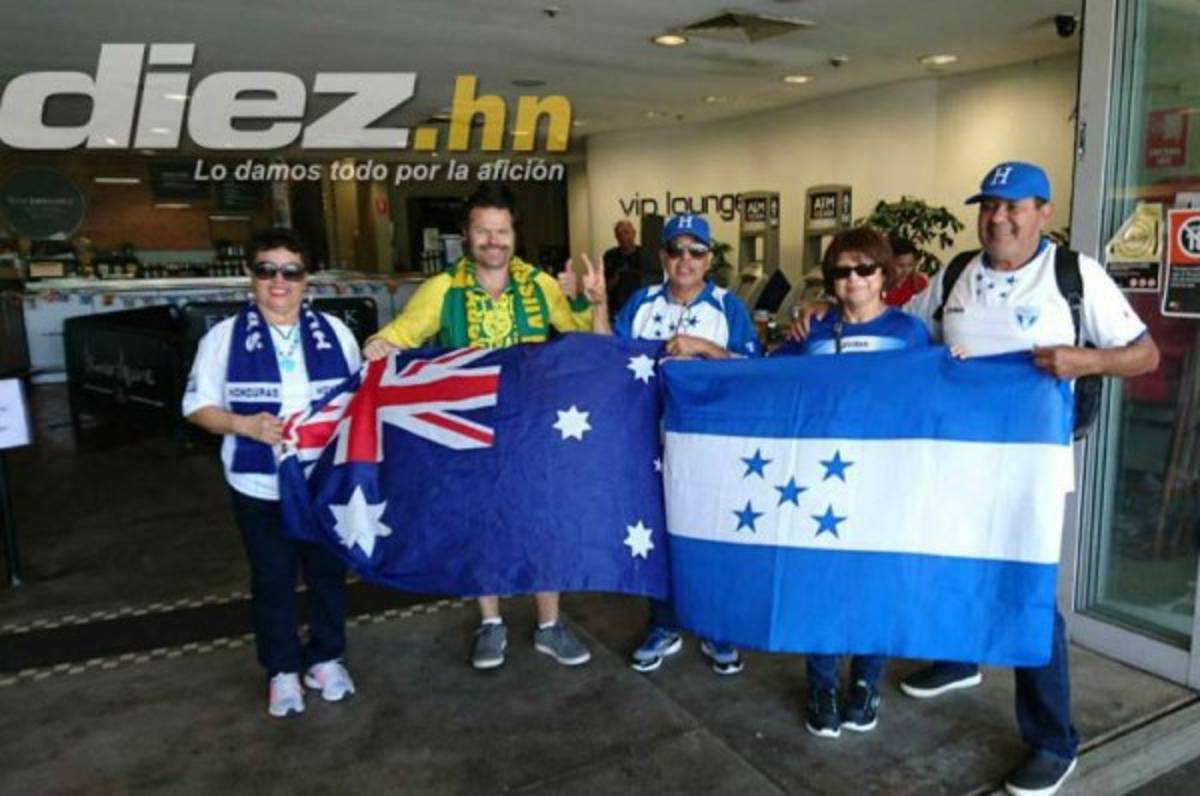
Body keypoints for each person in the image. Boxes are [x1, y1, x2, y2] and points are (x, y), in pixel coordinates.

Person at [794, 161, 1159, 795]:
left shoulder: (1074, 276)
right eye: (989, 206)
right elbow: (900, 328)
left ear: (1042, 212)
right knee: (946, 564)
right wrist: (834, 306)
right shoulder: (958, 272)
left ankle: (1052, 740)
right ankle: (960, 659)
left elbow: (1144, 354)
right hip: (952, 461)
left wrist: (1085, 359)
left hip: (1028, 469)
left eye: (1013, 206)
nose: (999, 218)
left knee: (1027, 595)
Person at [362, 184, 594, 672]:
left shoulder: (540, 285)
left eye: (501, 231)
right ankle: (490, 622)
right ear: (467, 235)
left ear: (514, 234)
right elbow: (401, 334)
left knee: (541, 518)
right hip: (469, 428)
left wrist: (589, 301)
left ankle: (550, 624)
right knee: (480, 522)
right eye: (483, 231)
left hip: (531, 428)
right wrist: (378, 345)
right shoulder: (441, 289)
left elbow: (586, 340)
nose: (493, 240)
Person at [568, 213, 759, 676]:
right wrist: (599, 304)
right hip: (648, 439)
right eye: (676, 250)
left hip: (711, 444)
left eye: (696, 251)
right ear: (662, 256)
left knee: (711, 534)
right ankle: (663, 624)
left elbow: (752, 372)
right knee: (659, 534)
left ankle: (716, 627)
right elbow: (609, 357)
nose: (685, 259)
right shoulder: (641, 302)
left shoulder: (728, 307)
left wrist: (704, 348)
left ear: (709, 259)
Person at [183, 228, 361, 718]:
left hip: (322, 480)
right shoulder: (223, 339)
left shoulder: (336, 332)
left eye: (290, 271)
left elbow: (357, 403)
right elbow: (196, 407)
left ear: (307, 279)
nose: (278, 281)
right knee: (273, 577)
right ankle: (282, 669)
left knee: (327, 573)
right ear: (251, 276)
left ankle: (325, 657)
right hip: (258, 483)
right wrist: (244, 425)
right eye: (266, 270)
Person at [772, 226, 929, 738]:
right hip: (822, 479)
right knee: (820, 582)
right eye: (842, 270)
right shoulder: (813, 331)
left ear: (885, 274)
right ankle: (821, 685)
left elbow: (933, 394)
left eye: (865, 268)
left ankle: (865, 682)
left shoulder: (910, 332)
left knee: (875, 581)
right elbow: (764, 381)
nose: (854, 279)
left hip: (885, 478)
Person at [603, 219, 643, 313]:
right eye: (619, 234)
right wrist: (615, 280)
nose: (623, 237)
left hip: (641, 306)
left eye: (626, 232)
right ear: (616, 237)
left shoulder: (646, 254)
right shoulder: (609, 256)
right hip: (617, 309)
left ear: (634, 233)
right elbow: (603, 286)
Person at [883, 236, 928, 307]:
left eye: (910, 265)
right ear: (889, 263)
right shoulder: (878, 284)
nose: (906, 271)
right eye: (901, 265)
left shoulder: (919, 284)